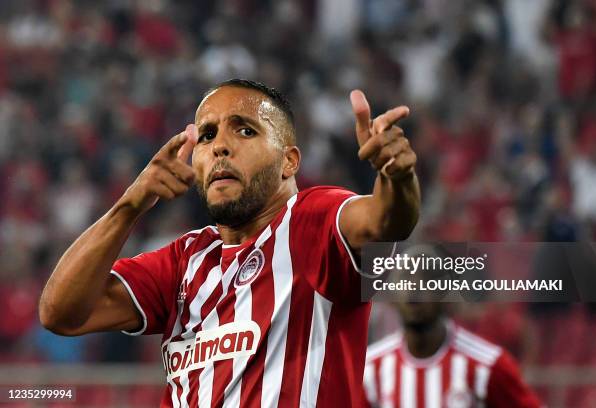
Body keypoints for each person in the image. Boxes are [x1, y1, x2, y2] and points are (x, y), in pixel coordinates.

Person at [39, 79, 420, 407]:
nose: (220, 146)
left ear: (289, 161)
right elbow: (59, 313)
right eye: (207, 135)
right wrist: (129, 204)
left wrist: (397, 178)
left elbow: (385, 220)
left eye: (245, 130)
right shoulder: (184, 260)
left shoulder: (312, 221)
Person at [363, 246, 541, 408]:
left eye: (427, 279)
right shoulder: (370, 370)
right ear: (392, 295)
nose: (414, 288)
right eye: (405, 279)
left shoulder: (487, 366)